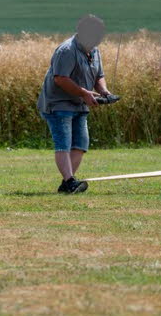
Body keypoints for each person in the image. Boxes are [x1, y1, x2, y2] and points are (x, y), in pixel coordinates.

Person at [37, 14, 111, 194]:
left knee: (81, 144)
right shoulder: (67, 50)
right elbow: (60, 79)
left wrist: (104, 92)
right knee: (64, 143)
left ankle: (66, 183)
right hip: (58, 103)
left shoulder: (94, 51)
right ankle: (70, 181)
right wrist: (84, 93)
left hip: (79, 103)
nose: (97, 40)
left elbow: (98, 75)